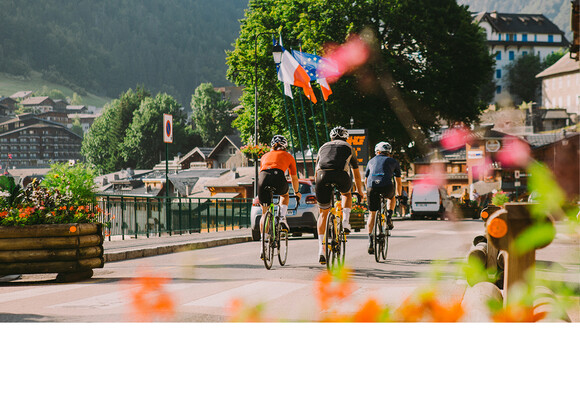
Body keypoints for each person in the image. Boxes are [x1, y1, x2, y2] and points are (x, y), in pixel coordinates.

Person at [315, 126, 365, 264]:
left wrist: (318, 187)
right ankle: (345, 221)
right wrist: (360, 191)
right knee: (346, 194)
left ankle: (321, 249)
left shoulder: (322, 147)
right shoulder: (349, 147)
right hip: (341, 175)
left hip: (321, 176)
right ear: (345, 138)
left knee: (323, 213)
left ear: (331, 138)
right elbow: (356, 173)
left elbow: (316, 169)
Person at [257, 135, 301, 256]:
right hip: (278, 177)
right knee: (284, 195)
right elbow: (294, 177)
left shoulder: (264, 156)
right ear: (285, 146)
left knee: (264, 213)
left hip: (263, 178)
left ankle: (263, 244)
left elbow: (263, 171)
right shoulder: (289, 156)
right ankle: (282, 217)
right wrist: (296, 192)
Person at [364, 142, 402, 254]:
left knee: (372, 213)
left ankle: (370, 241)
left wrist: (368, 192)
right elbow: (398, 182)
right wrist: (399, 195)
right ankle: (389, 217)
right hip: (386, 186)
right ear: (389, 153)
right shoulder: (393, 161)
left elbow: (366, 180)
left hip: (372, 187)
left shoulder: (371, 161)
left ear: (377, 151)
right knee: (392, 198)